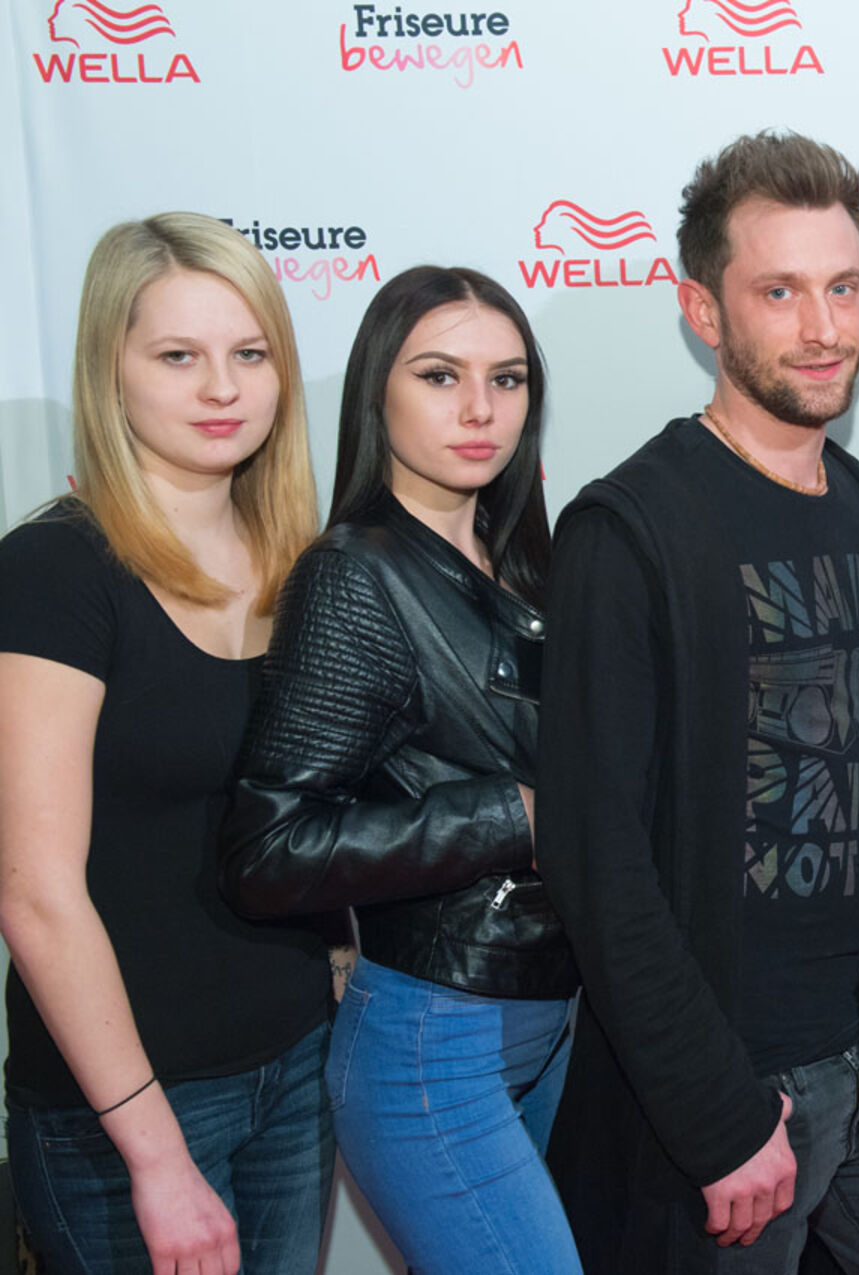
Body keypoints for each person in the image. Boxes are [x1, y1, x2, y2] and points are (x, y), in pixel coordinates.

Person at [539, 131, 859, 1273]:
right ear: (702, 310)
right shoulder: (630, 530)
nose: (824, 327)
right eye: (780, 292)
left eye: (844, 287)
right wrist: (715, 1113)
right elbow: (597, 856)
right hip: (735, 1095)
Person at [220, 265, 581, 1272]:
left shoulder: (528, 565)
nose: (480, 408)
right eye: (439, 375)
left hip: (554, 1018)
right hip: (435, 1043)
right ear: (376, 391)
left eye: (507, 379)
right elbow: (266, 850)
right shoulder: (356, 574)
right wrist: (512, 815)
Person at [0, 211, 335, 1274]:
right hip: (123, 1117)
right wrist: (154, 1156)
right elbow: (34, 896)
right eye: (179, 357)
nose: (222, 388)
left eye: (250, 354)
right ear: (112, 371)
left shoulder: (302, 560)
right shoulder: (56, 573)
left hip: (297, 1069)